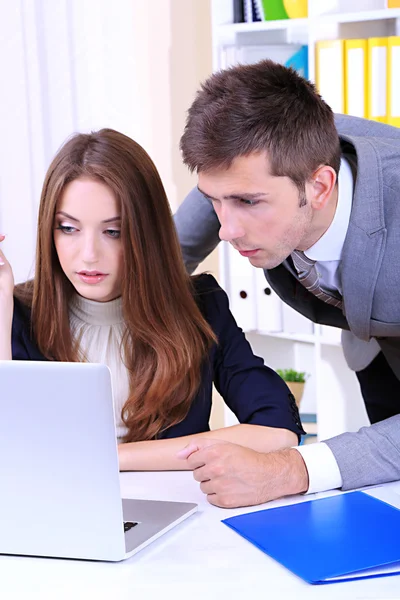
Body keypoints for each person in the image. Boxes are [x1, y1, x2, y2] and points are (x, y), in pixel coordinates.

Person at [0, 128, 304, 472]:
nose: (87, 255)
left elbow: (278, 430)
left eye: (113, 232)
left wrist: (109, 459)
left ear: (146, 232)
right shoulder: (17, 314)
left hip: (176, 512)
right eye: (68, 228)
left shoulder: (201, 306)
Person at [174, 59, 400, 506]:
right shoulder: (270, 152)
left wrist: (289, 469)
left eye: (247, 202)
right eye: (216, 201)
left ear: (319, 186)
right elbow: (167, 254)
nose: (227, 230)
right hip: (374, 339)